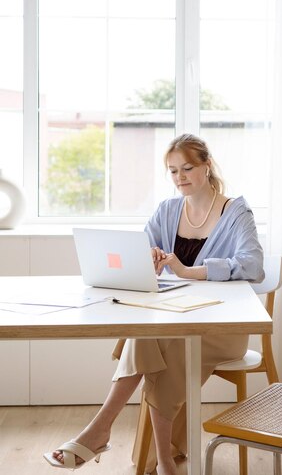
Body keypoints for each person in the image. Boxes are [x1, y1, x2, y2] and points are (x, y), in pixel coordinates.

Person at [43, 133, 264, 474]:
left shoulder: (236, 212)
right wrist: (148, 257)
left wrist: (190, 270)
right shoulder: (167, 210)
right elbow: (140, 252)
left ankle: (101, 431)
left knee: (157, 342)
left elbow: (252, 265)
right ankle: (161, 463)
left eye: (188, 168)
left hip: (222, 328)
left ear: (207, 166)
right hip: (175, 316)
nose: (180, 178)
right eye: (173, 171)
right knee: (150, 336)